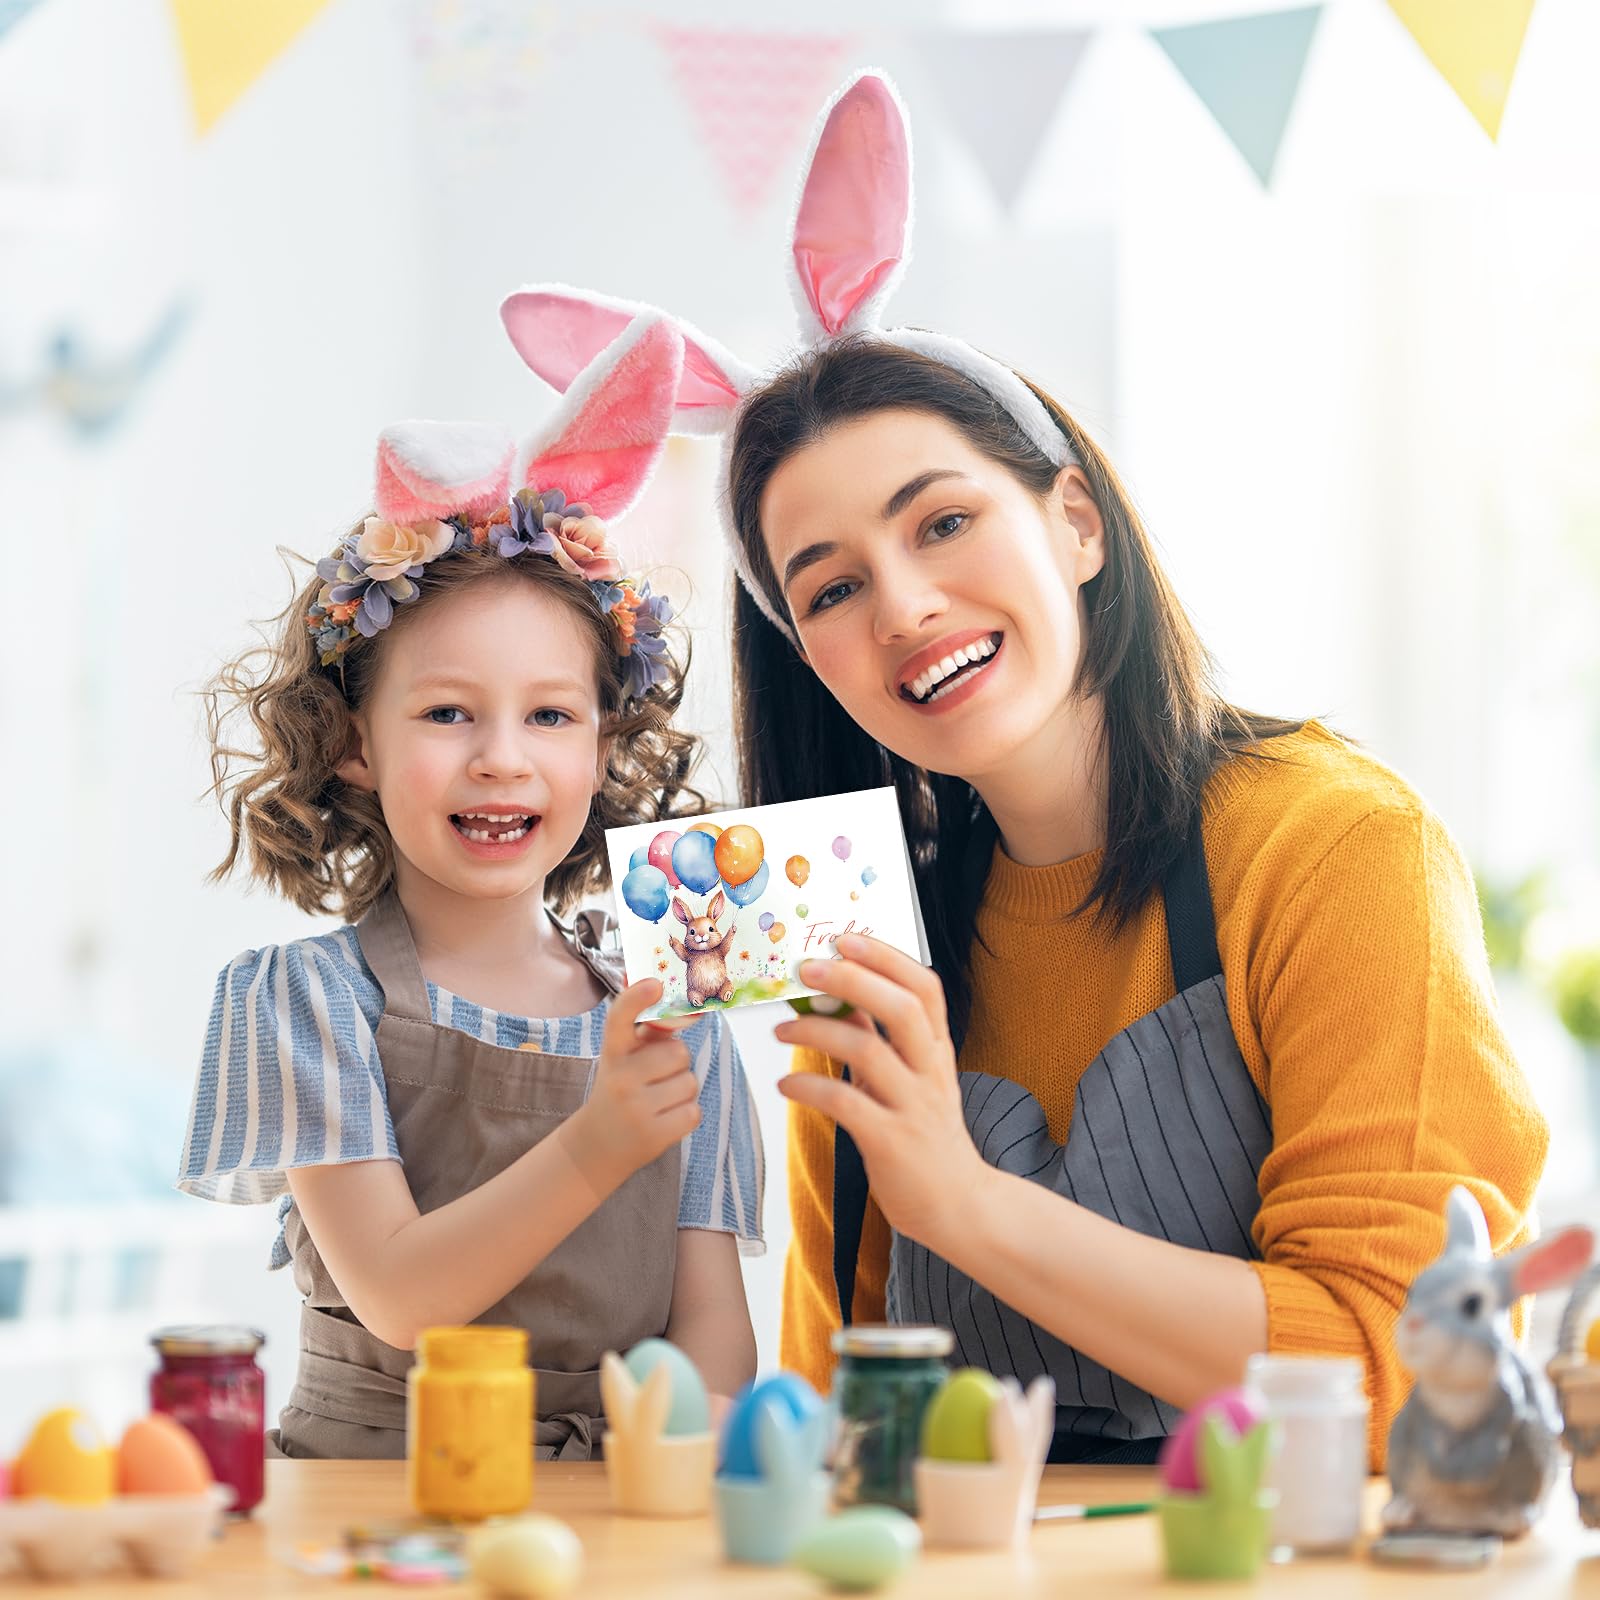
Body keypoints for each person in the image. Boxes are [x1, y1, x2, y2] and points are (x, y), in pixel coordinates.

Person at [500, 74, 1549, 1466]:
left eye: (942, 522)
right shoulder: (853, 932)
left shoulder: (1334, 847)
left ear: (1077, 522)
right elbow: (834, 1408)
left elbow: (1403, 1370)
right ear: (809, 657)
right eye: (830, 590)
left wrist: (969, 1203)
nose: (906, 607)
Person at [180, 316, 763, 1459]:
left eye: (550, 715)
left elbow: (714, 1350)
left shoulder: (679, 1019)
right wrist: (598, 1142)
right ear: (354, 744)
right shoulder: (306, 1001)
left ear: (604, 750)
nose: (502, 755)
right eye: (448, 712)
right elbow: (401, 1295)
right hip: (366, 1504)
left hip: (612, 1515)